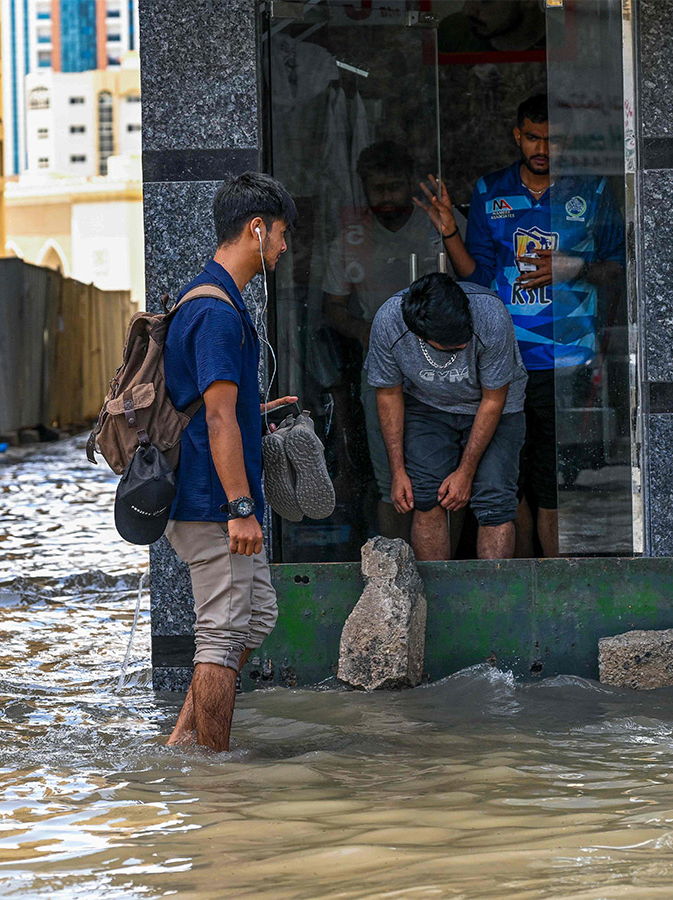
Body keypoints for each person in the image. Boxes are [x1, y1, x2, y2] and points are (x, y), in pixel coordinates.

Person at [415, 93, 625, 557]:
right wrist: (451, 228)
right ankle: (523, 583)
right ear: (517, 136)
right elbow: (476, 279)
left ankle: (554, 584)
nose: (542, 148)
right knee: (510, 479)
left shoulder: (590, 189)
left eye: (552, 139)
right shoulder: (491, 191)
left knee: (554, 484)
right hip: (504, 362)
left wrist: (573, 267)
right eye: (533, 137)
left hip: (568, 359)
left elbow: (622, 268)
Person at [162, 172, 298, 752]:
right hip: (213, 502)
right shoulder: (217, 311)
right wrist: (241, 507)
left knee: (256, 616)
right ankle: (216, 777)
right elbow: (216, 420)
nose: (285, 249)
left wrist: (254, 411)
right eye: (282, 235)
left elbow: (217, 407)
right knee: (219, 637)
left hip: (215, 495)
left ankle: (179, 745)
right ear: (257, 229)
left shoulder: (213, 297)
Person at [324, 141, 466, 539]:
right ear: (363, 187)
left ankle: (446, 574)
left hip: (447, 363)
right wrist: (368, 331)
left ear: (410, 182)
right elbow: (332, 307)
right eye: (376, 187)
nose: (386, 195)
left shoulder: (439, 221)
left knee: (448, 483)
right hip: (385, 368)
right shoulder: (351, 239)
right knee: (392, 482)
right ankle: (392, 572)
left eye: (393, 186)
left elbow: (474, 278)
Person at [366, 273, 527, 561]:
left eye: (464, 338)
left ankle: (494, 600)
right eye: (452, 345)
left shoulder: (490, 314)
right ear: (422, 335)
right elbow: (389, 395)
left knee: (495, 502)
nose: (463, 347)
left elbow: (494, 400)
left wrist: (465, 472)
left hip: (494, 407)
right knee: (425, 498)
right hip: (428, 406)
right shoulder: (389, 323)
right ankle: (436, 600)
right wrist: (398, 471)